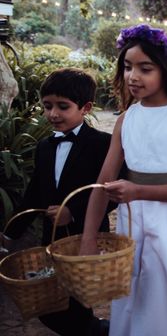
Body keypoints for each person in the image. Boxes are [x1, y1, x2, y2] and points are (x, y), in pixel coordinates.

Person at [79, 24, 167, 335]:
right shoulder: (128, 119)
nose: (133, 77)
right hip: (134, 221)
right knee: (137, 292)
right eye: (127, 67)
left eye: (145, 68)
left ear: (166, 71)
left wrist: (137, 190)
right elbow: (102, 182)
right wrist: (88, 238)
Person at [0, 68, 111, 336]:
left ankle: (99, 330)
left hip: (85, 235)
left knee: (75, 300)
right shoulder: (45, 146)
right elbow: (35, 193)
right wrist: (9, 233)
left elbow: (109, 192)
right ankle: (98, 330)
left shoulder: (102, 144)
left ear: (85, 108)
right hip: (51, 238)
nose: (53, 114)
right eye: (47, 106)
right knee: (52, 304)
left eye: (63, 107)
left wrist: (72, 212)